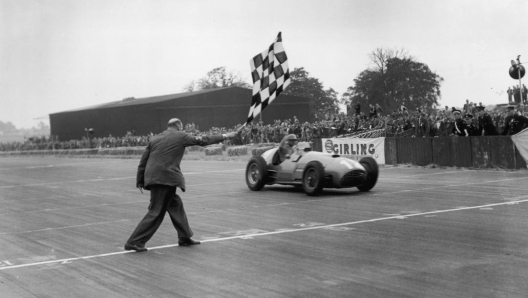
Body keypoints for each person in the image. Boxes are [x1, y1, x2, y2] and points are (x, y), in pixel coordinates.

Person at [124, 118, 237, 252]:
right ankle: (134, 242)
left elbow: (143, 162)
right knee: (156, 211)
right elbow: (203, 140)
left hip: (155, 178)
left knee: (175, 205)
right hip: (165, 178)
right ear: (179, 126)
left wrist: (140, 181)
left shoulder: (154, 139)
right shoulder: (180, 135)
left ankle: (184, 237)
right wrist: (225, 136)